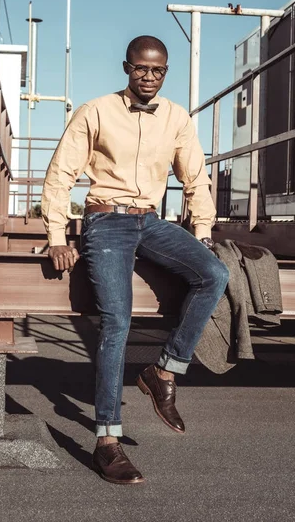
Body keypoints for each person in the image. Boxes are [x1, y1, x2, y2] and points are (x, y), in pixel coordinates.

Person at [41, 35, 229, 485]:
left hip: (151, 222)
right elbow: (60, 173)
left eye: (158, 70)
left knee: (214, 274)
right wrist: (56, 234)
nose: (149, 77)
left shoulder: (176, 118)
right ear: (127, 68)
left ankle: (163, 370)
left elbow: (195, 178)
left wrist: (201, 231)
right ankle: (107, 441)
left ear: (166, 72)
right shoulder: (96, 111)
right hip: (106, 223)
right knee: (117, 324)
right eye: (141, 69)